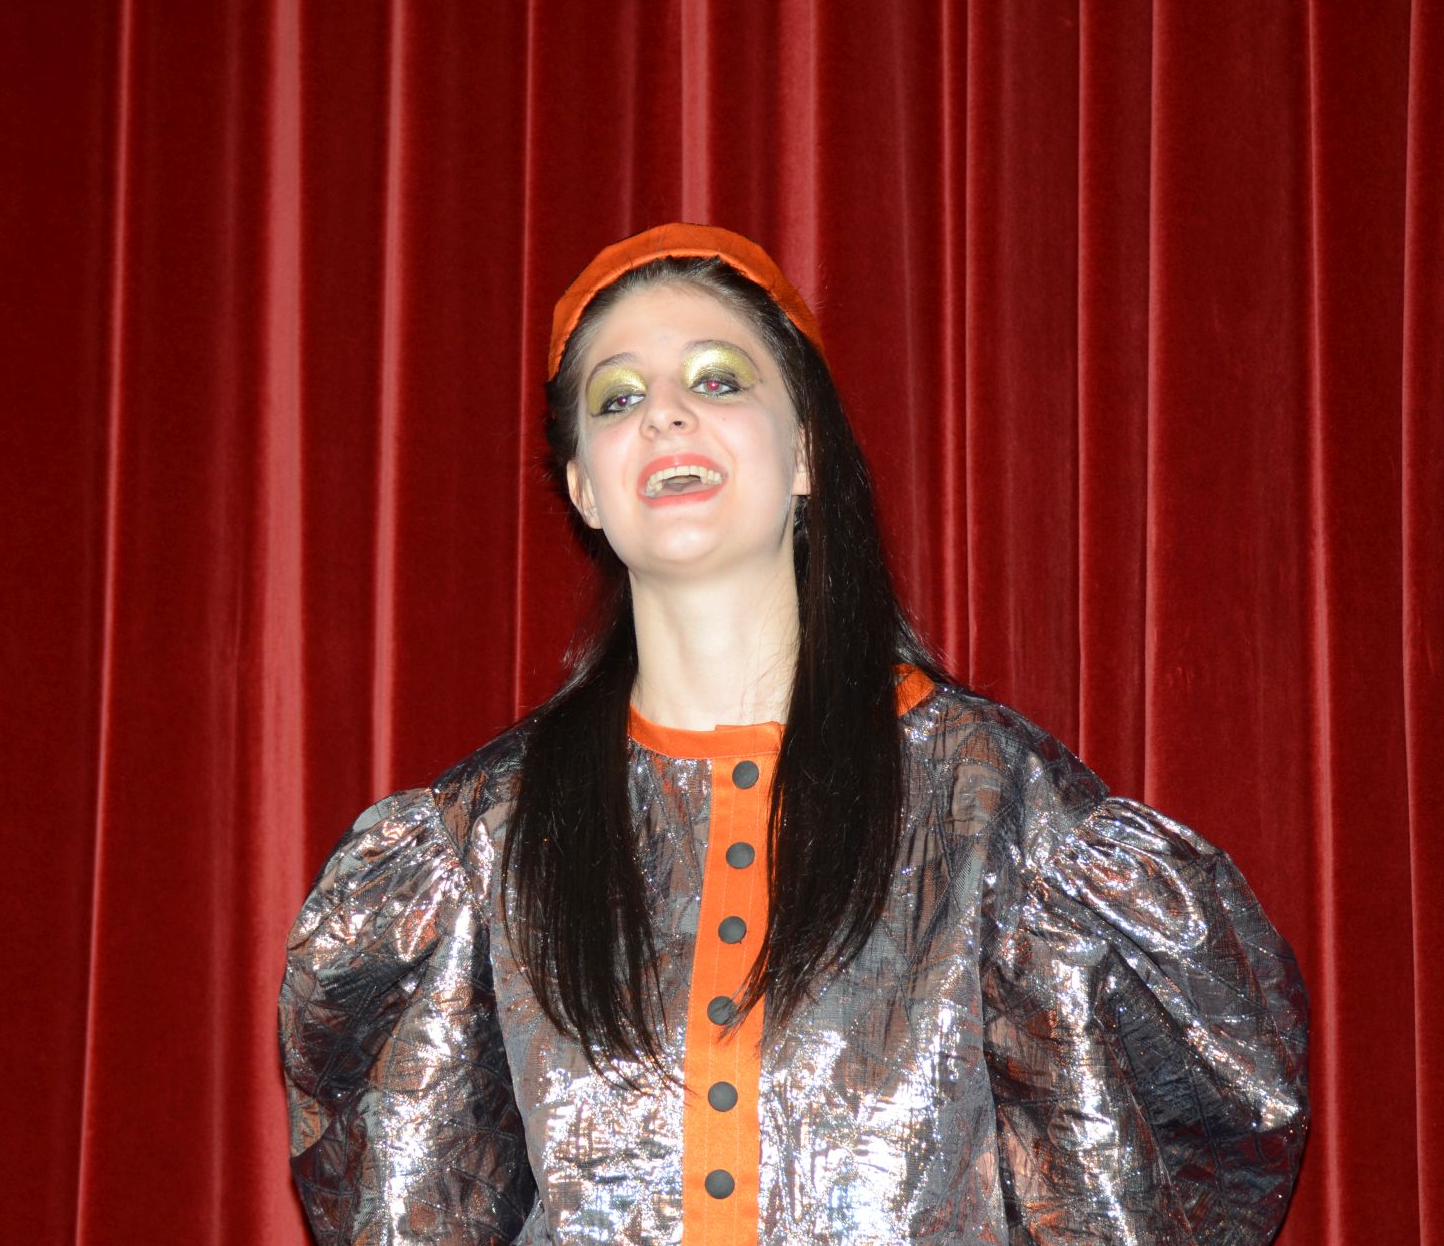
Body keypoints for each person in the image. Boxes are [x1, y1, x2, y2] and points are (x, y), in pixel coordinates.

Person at [278, 224, 1310, 1244]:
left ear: (807, 450)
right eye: (618, 398)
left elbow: (1126, 1197)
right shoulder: (483, 844)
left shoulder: (999, 809)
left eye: (718, 380)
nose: (666, 413)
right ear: (585, 487)